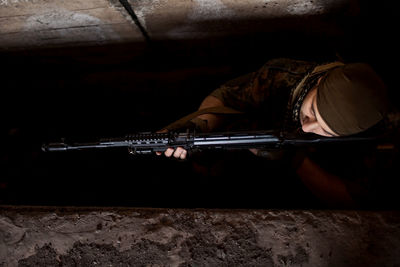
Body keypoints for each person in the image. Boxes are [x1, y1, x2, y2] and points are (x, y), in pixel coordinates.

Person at [157, 58, 395, 208]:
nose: (307, 128)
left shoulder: (373, 138)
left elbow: (353, 200)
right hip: (243, 148)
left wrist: (294, 161)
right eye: (311, 110)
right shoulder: (282, 76)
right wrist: (199, 127)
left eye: (326, 130)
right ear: (320, 81)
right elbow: (226, 95)